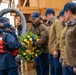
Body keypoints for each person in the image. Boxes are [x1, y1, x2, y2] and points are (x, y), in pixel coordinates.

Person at [45, 8, 63, 75]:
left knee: (57, 71)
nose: (46, 17)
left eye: (46, 15)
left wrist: (56, 49)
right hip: (51, 52)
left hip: (55, 53)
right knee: (52, 71)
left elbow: (59, 36)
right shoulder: (50, 24)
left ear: (49, 15)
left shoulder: (56, 22)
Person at [63, 2, 76, 75]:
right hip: (68, 64)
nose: (64, 15)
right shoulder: (69, 25)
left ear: (69, 12)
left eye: (64, 12)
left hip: (74, 66)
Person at [57, 9, 68, 75]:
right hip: (64, 57)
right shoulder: (64, 27)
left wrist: (63, 58)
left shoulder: (68, 27)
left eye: (59, 17)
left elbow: (67, 45)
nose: (59, 20)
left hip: (67, 59)